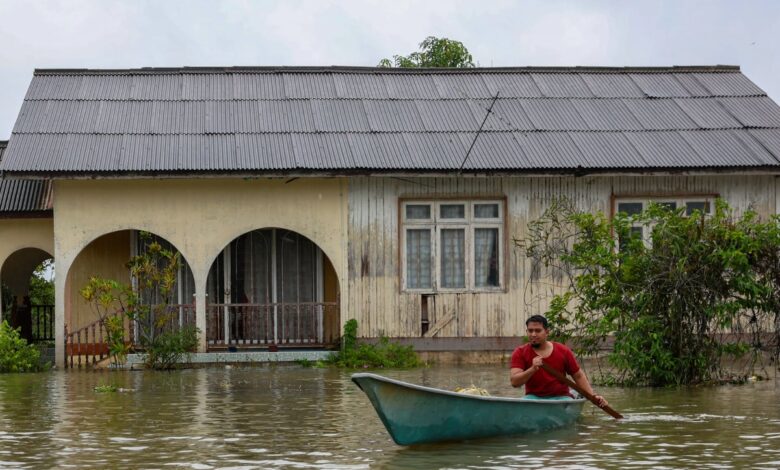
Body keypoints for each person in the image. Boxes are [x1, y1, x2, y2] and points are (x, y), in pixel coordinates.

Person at [510, 314, 607, 407]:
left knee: (567, 399)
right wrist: (532, 369)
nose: (533, 334)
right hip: (533, 398)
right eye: (530, 331)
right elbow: (515, 382)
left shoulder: (563, 350)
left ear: (547, 332)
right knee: (525, 402)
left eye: (538, 331)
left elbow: (578, 376)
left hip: (561, 398)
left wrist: (593, 396)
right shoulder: (520, 352)